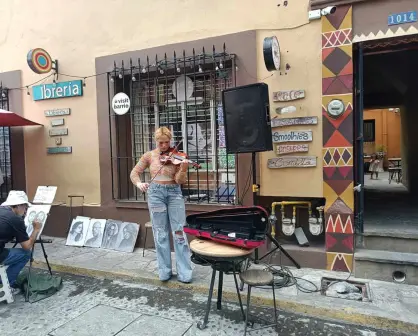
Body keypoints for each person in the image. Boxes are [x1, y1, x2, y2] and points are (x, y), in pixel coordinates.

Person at [130, 126, 193, 283]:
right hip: (156, 193)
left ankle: (184, 272)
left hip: (174, 193)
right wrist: (139, 184)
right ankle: (164, 271)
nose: (164, 146)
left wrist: (183, 167)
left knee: (179, 231)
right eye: (160, 143)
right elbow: (134, 173)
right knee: (161, 233)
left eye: (166, 142)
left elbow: (179, 181)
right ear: (156, 141)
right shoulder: (149, 156)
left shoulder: (178, 156)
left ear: (170, 140)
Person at [0, 190, 42, 293]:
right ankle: (8, 284)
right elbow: (27, 246)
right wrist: (36, 229)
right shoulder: (15, 219)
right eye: (25, 207)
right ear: (18, 205)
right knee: (26, 254)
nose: (26, 210)